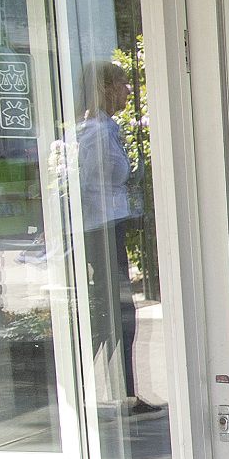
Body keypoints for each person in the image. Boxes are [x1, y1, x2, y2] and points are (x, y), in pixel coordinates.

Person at [73, 60, 156, 416]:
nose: (128, 90)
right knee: (116, 311)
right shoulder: (96, 132)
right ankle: (96, 388)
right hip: (101, 228)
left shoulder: (106, 129)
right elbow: (88, 185)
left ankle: (122, 390)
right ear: (106, 89)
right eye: (122, 83)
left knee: (118, 311)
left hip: (110, 225)